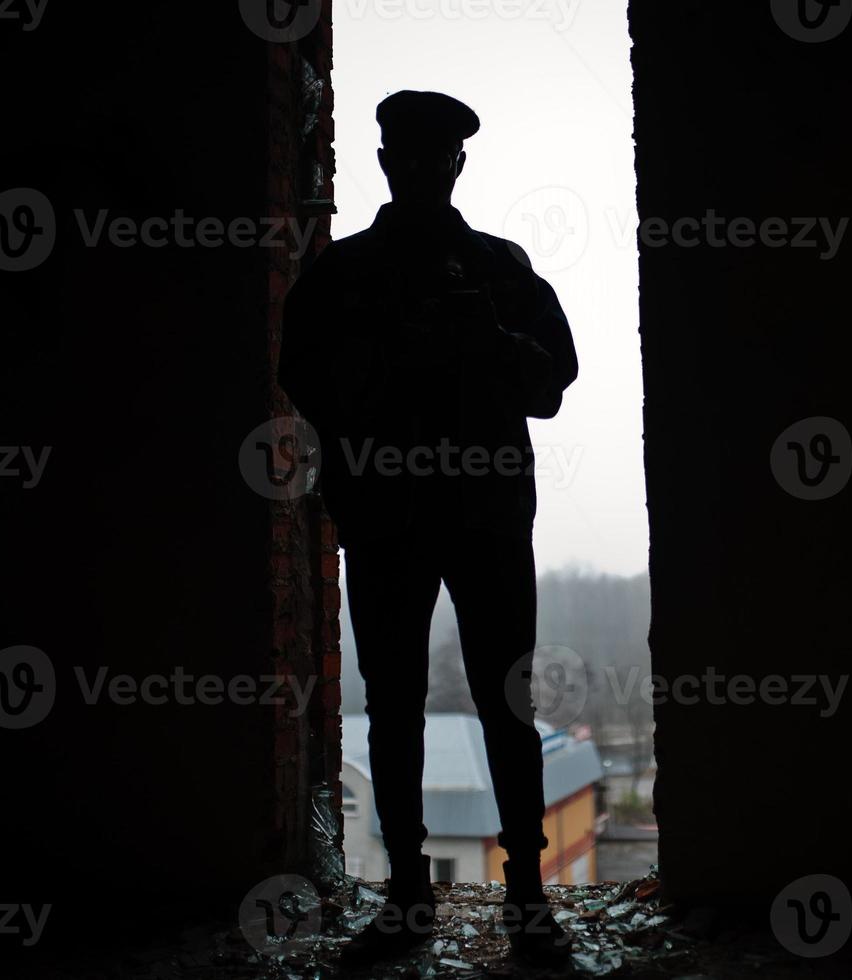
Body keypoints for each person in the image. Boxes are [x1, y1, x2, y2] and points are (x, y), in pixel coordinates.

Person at [279, 90, 578, 966]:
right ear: (384, 161)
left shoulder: (497, 268)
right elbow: (305, 378)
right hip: (393, 512)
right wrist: (395, 359)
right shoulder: (342, 275)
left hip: (475, 512)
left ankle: (522, 893)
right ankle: (417, 893)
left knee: (503, 700)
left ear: (455, 164)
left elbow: (552, 379)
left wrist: (485, 340)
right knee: (400, 702)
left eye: (432, 155)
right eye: (403, 154)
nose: (416, 168)